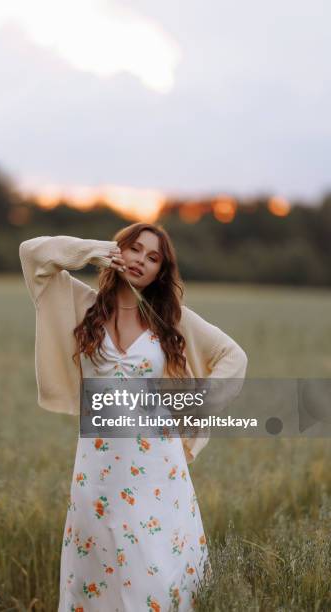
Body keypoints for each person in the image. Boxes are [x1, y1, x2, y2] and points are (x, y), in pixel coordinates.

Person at [19, 222, 248, 611]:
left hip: (157, 468)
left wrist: (191, 409)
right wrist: (92, 250)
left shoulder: (171, 319)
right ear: (119, 250)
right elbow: (32, 253)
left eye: (153, 257)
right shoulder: (82, 304)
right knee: (94, 568)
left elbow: (233, 358)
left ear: (162, 271)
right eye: (135, 249)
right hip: (98, 466)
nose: (141, 260)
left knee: (154, 569)